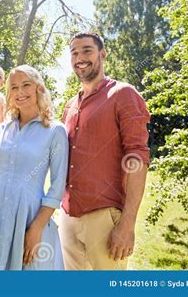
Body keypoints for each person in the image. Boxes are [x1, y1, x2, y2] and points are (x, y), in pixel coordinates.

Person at [59, 31, 150, 270]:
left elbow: (137, 158)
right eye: (74, 52)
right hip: (68, 217)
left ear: (102, 54)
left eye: (87, 50)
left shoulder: (123, 94)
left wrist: (127, 223)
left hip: (105, 218)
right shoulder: (70, 105)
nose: (80, 57)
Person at [0, 65, 69, 270]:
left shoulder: (54, 130)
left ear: (38, 89)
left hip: (30, 215)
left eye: (26, 85)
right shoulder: (2, 129)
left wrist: (36, 228)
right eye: (14, 87)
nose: (20, 92)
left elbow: (58, 187)